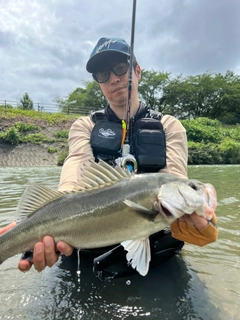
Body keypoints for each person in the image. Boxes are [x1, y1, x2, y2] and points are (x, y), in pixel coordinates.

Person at [0, 37, 218, 274]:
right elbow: (74, 173)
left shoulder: (169, 126)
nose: (114, 78)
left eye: (121, 68)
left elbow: (173, 176)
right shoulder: (84, 125)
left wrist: (195, 212)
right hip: (86, 252)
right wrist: (35, 225)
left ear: (137, 71)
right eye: (103, 74)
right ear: (99, 83)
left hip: (158, 254)